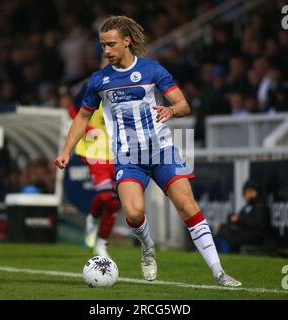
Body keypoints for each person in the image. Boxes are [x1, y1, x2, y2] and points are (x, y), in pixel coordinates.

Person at [54, 16, 241, 287]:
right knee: (133, 213)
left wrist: (171, 109)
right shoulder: (99, 80)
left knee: (188, 207)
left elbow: (183, 105)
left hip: (162, 151)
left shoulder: (152, 70)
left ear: (127, 41)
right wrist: (66, 150)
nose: (106, 51)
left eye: (111, 44)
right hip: (129, 158)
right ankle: (147, 246)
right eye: (102, 45)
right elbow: (83, 117)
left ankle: (219, 272)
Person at [61, 78, 120, 258]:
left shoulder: (129, 86)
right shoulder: (94, 84)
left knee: (114, 202)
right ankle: (93, 218)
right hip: (96, 153)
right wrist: (88, 129)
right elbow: (73, 111)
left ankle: (101, 243)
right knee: (105, 196)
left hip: (120, 154)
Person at [216, 180, 271, 253]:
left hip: (256, 236)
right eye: (246, 192)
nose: (247, 194)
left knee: (226, 231)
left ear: (257, 192)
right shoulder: (248, 206)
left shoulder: (261, 206)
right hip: (246, 233)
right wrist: (232, 217)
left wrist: (239, 219)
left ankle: (225, 254)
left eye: (250, 191)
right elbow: (240, 217)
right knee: (223, 228)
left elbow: (255, 223)